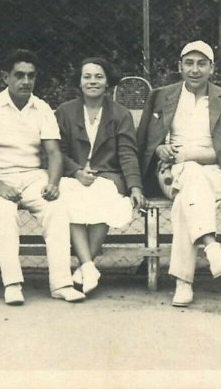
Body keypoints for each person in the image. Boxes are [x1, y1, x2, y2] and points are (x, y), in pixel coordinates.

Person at [0, 49, 85, 305]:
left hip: (34, 176)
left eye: (31, 76)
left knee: (56, 209)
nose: (25, 81)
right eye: (19, 75)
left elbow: (54, 153)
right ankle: (12, 284)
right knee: (5, 213)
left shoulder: (42, 108)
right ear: (6, 78)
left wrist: (53, 184)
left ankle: (61, 284)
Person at [137, 40, 221, 307]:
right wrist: (161, 148)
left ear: (212, 68)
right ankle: (211, 246)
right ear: (179, 66)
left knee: (187, 197)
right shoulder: (162, 95)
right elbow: (146, 141)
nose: (194, 70)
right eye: (189, 63)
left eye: (201, 64)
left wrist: (190, 156)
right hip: (170, 172)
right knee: (191, 177)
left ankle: (183, 282)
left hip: (214, 173)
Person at [54, 57, 146, 294]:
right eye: (87, 76)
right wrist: (75, 171)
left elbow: (127, 153)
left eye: (99, 77)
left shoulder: (120, 113)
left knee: (102, 192)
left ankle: (85, 264)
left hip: (108, 176)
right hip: (73, 175)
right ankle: (88, 265)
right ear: (80, 81)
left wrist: (135, 187)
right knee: (67, 195)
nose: (92, 81)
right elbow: (56, 152)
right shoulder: (64, 112)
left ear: (108, 83)